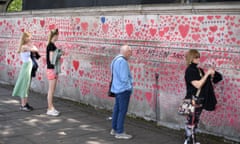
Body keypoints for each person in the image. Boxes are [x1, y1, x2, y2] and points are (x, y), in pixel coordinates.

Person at [184, 49, 222, 144]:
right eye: (196, 57)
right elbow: (198, 85)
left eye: (199, 56)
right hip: (192, 100)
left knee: (195, 121)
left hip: (198, 100)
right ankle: (189, 141)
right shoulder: (189, 70)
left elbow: (206, 82)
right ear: (191, 58)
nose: (198, 58)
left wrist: (212, 74)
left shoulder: (199, 70)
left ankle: (191, 140)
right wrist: (207, 74)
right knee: (191, 122)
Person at [110, 45, 133, 140]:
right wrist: (130, 86)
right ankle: (120, 132)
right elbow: (124, 78)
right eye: (130, 52)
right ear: (126, 52)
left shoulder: (115, 60)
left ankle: (114, 129)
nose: (130, 54)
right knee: (122, 111)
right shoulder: (123, 62)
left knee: (117, 110)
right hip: (123, 90)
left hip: (116, 89)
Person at [12, 32, 39, 111]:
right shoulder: (24, 47)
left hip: (29, 67)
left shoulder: (26, 46)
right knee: (24, 86)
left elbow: (36, 49)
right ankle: (23, 105)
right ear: (25, 38)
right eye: (29, 37)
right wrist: (31, 45)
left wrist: (31, 44)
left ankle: (25, 103)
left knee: (26, 86)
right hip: (26, 67)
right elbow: (34, 49)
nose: (31, 39)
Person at [46, 28, 63, 116]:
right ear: (55, 36)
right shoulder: (51, 46)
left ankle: (51, 107)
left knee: (52, 90)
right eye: (57, 35)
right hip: (52, 70)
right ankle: (49, 108)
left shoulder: (52, 45)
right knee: (51, 90)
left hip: (52, 70)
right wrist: (60, 54)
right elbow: (51, 59)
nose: (58, 37)